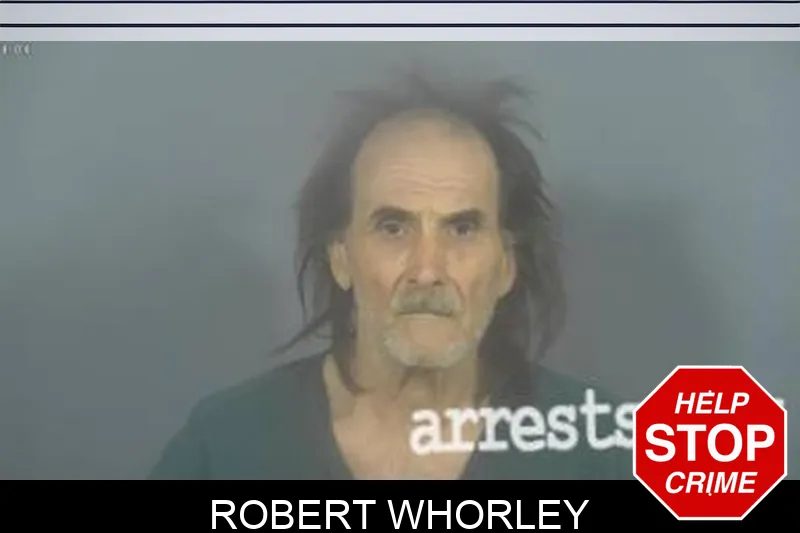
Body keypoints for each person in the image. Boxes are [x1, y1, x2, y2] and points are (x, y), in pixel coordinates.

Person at [149, 71, 632, 480]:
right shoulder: (226, 445)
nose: (427, 269)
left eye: (462, 229)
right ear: (341, 257)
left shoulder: (602, 449)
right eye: (393, 228)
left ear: (506, 266)